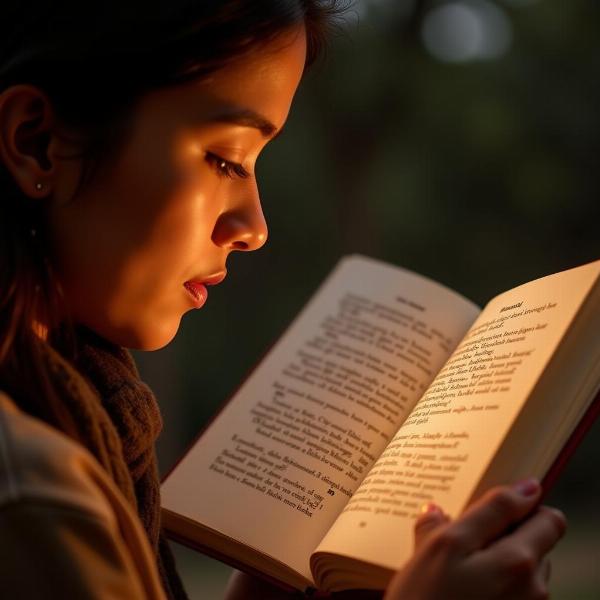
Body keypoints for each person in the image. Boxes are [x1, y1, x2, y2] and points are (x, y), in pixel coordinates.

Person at [0, 2, 566, 599]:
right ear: (37, 141)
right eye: (226, 159)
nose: (254, 226)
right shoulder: (34, 498)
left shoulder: (82, 426)